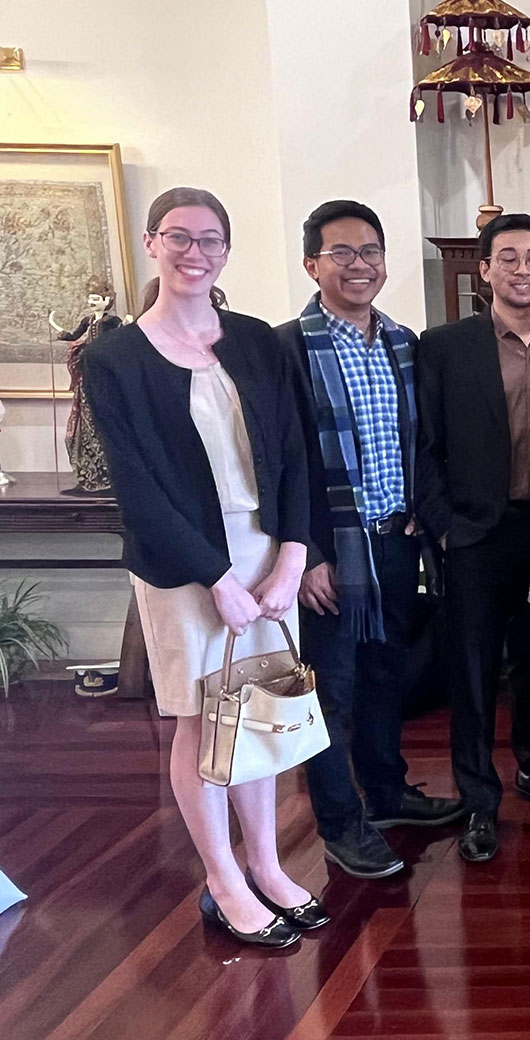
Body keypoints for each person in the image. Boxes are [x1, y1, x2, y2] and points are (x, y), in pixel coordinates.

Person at [84, 187, 317, 948]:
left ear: (226, 251)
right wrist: (216, 579)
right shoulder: (116, 358)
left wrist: (290, 558)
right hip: (183, 565)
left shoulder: (256, 341)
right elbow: (138, 486)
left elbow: (294, 455)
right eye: (179, 238)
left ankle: (268, 865)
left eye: (211, 240)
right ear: (151, 243)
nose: (195, 253)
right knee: (204, 719)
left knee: (262, 713)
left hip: (265, 551)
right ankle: (221, 876)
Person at [275, 200, 463, 881]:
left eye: (372, 253)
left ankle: (386, 796)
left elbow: (419, 441)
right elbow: (277, 462)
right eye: (344, 254)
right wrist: (306, 554)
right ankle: (340, 823)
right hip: (330, 554)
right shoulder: (286, 349)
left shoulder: (403, 341)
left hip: (394, 543)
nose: (361, 266)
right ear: (312, 264)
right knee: (332, 692)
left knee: (387, 677)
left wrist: (420, 512)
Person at [415, 213, 530, 863]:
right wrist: (446, 528)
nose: (522, 269)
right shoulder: (445, 346)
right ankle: (478, 801)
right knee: (475, 671)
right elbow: (422, 447)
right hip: (477, 535)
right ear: (483, 269)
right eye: (507, 257)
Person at [50, 284, 123, 493]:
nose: (92, 302)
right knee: (84, 427)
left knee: (102, 427)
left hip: (103, 380)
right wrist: (56, 327)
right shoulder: (88, 321)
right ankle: (88, 478)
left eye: (96, 299)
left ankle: (106, 479)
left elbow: (119, 343)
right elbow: (74, 336)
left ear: (107, 301)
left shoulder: (112, 322)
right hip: (86, 377)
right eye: (90, 298)